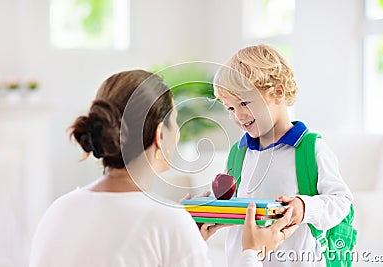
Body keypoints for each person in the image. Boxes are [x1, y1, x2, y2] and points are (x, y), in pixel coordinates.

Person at [29, 69, 298, 267]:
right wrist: (252, 252)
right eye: (175, 122)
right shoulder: (167, 221)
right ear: (160, 135)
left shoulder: (58, 210)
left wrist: (185, 241)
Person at [213, 45, 354, 267]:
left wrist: (304, 207)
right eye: (230, 108)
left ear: (278, 93)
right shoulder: (239, 153)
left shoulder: (309, 148)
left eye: (244, 103)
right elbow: (235, 206)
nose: (238, 116)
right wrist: (209, 206)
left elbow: (341, 202)